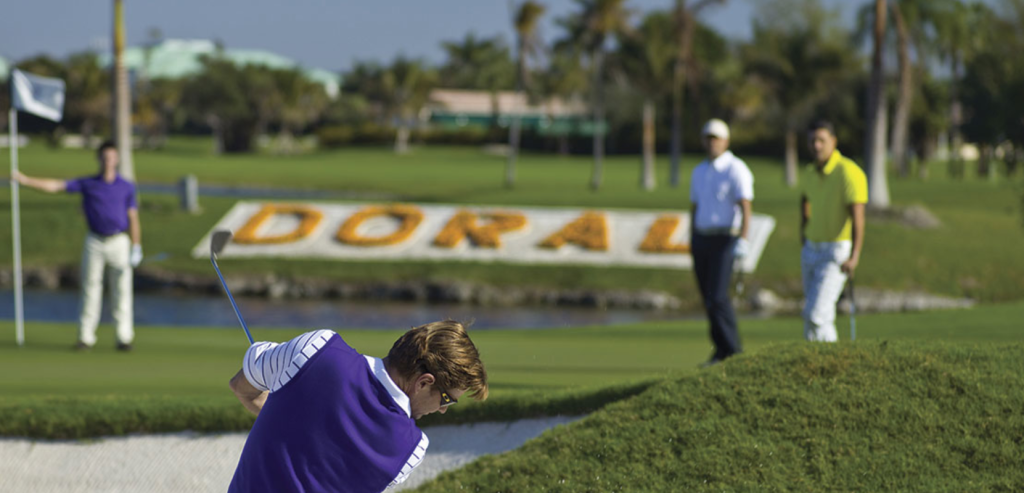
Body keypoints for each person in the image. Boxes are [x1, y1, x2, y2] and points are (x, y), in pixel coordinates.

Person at [227, 319, 488, 493]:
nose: (443, 410)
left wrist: (285, 420)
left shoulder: (318, 347)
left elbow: (241, 386)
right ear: (423, 382)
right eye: (446, 399)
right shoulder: (411, 450)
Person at [14, 140, 143, 351]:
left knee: (122, 290)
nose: (108, 161)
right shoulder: (88, 183)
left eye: (112, 157)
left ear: (117, 159)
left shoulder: (126, 186)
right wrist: (26, 180)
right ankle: (85, 337)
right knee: (90, 289)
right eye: (105, 157)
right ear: (99, 159)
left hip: (120, 241)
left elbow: (133, 218)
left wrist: (136, 246)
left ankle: (124, 338)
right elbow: (56, 186)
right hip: (95, 241)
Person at [689, 119, 754, 367]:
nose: (711, 143)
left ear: (725, 141)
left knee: (718, 296)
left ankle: (734, 351)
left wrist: (744, 238)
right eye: (708, 138)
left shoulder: (736, 168)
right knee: (708, 298)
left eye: (715, 138)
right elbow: (694, 206)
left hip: (725, 238)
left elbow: (745, 206)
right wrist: (692, 236)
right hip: (701, 237)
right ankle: (720, 350)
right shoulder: (699, 170)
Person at [799, 120, 867, 342]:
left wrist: (855, 256)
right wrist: (803, 234)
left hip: (836, 252)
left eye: (821, 140)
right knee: (814, 317)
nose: (816, 145)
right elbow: (805, 202)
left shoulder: (848, 171)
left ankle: (830, 357)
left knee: (816, 314)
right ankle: (816, 359)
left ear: (833, 141)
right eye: (812, 141)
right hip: (811, 248)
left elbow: (858, 217)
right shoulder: (809, 171)